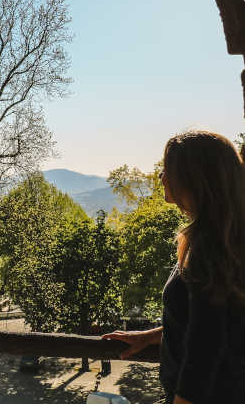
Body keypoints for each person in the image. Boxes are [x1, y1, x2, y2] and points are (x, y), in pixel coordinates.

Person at [102, 130, 245, 404]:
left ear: (194, 179)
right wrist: (154, 335)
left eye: (168, 170)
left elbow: (205, 352)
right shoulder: (225, 240)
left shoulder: (209, 250)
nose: (161, 177)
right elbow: (218, 321)